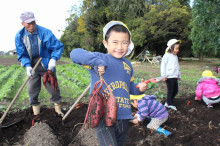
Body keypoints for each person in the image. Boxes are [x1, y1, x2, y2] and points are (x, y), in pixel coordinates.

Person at [70, 21, 148, 146]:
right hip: (103, 115)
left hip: (123, 116)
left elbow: (130, 87)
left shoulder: (127, 65)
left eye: (124, 42)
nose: (120, 47)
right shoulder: (100, 58)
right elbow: (74, 54)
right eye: (115, 42)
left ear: (129, 44)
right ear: (105, 43)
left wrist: (139, 88)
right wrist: (96, 61)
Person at [15, 11, 64, 117]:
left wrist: (53, 59)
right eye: (28, 23)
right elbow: (22, 54)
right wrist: (27, 65)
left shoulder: (45, 32)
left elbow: (57, 47)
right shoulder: (19, 36)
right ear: (22, 23)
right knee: (32, 88)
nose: (32, 25)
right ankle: (36, 113)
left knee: (53, 88)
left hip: (46, 63)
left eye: (33, 22)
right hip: (32, 65)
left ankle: (58, 110)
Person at [161, 39, 181, 111]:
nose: (177, 50)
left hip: (175, 76)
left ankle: (170, 100)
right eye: (176, 48)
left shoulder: (175, 56)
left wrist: (179, 75)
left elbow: (177, 66)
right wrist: (163, 76)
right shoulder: (166, 56)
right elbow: (163, 66)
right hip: (168, 76)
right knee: (170, 90)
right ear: (170, 47)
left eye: (178, 48)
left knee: (175, 90)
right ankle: (168, 103)